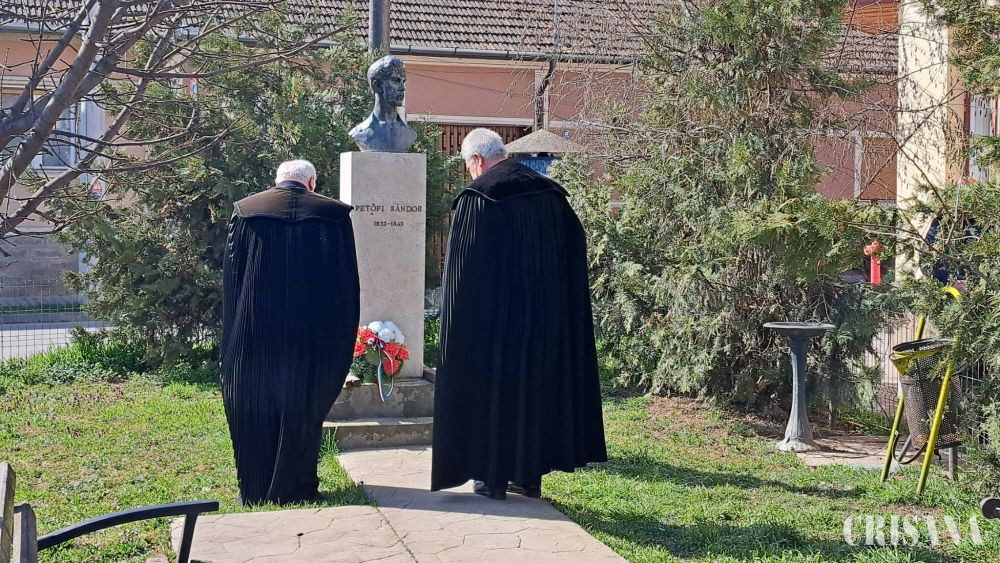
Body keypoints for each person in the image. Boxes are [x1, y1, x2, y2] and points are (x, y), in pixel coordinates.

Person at [430, 129, 607, 500]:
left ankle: (491, 478)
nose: (470, 172)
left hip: (496, 325)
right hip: (546, 321)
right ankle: (528, 477)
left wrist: (457, 332)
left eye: (467, 165)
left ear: (477, 160)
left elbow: (464, 276)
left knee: (495, 394)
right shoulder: (551, 195)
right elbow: (573, 256)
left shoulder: (480, 196)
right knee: (533, 393)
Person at [221, 159, 360, 505]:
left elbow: (232, 279)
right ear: (311, 183)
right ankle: (298, 485)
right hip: (312, 333)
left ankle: (255, 488)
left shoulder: (247, 211)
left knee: (255, 401)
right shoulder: (333, 215)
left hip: (255, 329)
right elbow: (346, 283)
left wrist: (235, 328)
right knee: (304, 404)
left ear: (276, 180)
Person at [349, 55, 417, 153]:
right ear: (377, 85)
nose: (403, 88)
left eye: (403, 81)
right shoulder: (359, 133)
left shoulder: (409, 134)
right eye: (396, 81)